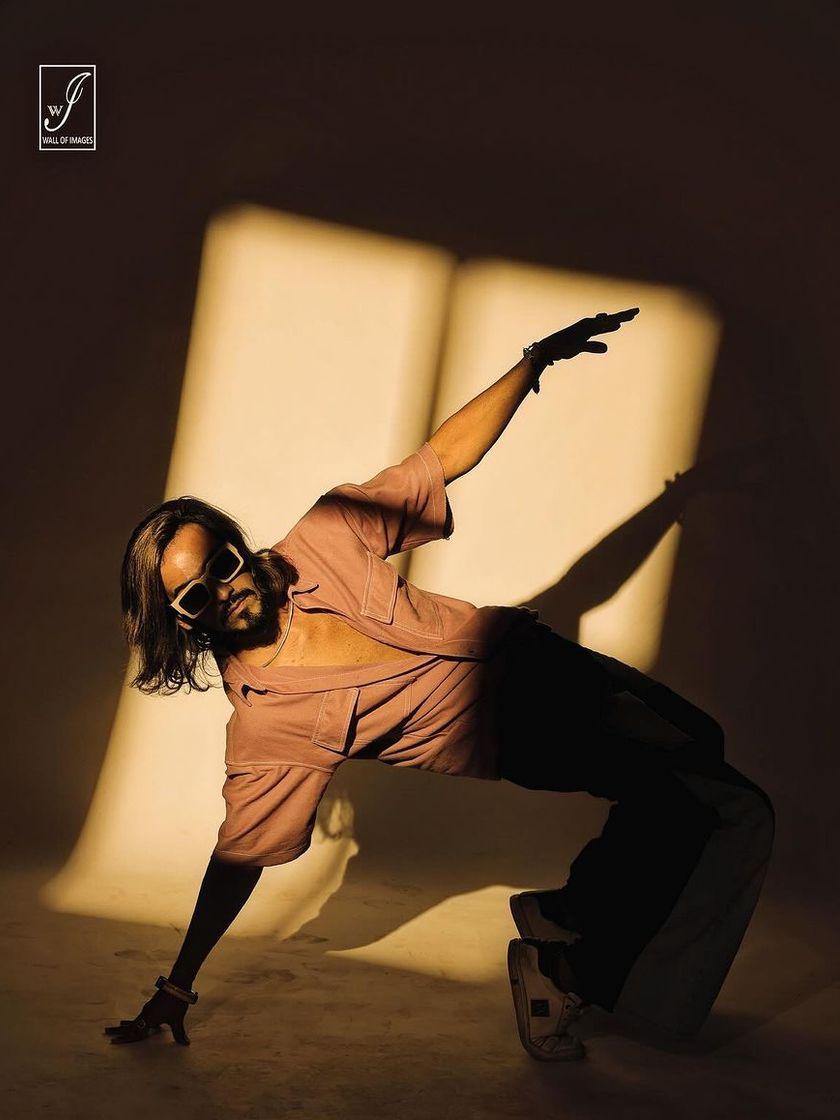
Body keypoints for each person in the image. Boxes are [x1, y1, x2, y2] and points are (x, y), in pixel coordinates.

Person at [105, 308, 774, 1061]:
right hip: (530, 732)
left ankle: (568, 914)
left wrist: (534, 362)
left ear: (235, 545)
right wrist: (179, 983)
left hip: (542, 655)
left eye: (221, 565)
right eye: (195, 596)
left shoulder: (323, 537)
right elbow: (236, 859)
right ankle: (564, 975)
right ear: (182, 622)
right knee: (722, 807)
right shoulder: (270, 727)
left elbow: (441, 459)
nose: (224, 592)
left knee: (699, 745)